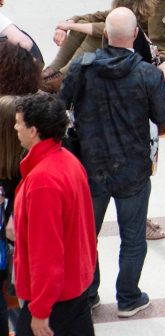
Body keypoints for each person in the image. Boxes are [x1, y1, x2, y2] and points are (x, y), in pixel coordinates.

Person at [59, 7, 165, 318]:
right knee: (133, 236)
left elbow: (59, 107)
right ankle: (128, 297)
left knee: (86, 236)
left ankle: (89, 292)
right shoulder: (147, 74)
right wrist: (164, 79)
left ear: (106, 34)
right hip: (133, 169)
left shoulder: (82, 69)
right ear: (135, 35)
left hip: (90, 165)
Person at [12, 93, 96, 335]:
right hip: (76, 285)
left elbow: (45, 251)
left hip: (55, 301)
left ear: (34, 130)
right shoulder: (68, 162)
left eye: (19, 122)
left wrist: (40, 310)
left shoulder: (42, 181)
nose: (15, 127)